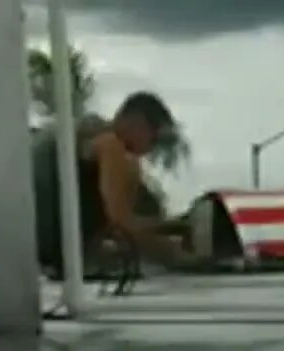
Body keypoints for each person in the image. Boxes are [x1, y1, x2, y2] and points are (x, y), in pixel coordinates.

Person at [32, 91, 192, 280]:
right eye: (154, 139)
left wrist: (172, 225)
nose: (151, 149)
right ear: (139, 125)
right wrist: (179, 257)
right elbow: (122, 225)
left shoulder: (79, 132)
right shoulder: (110, 144)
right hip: (52, 250)